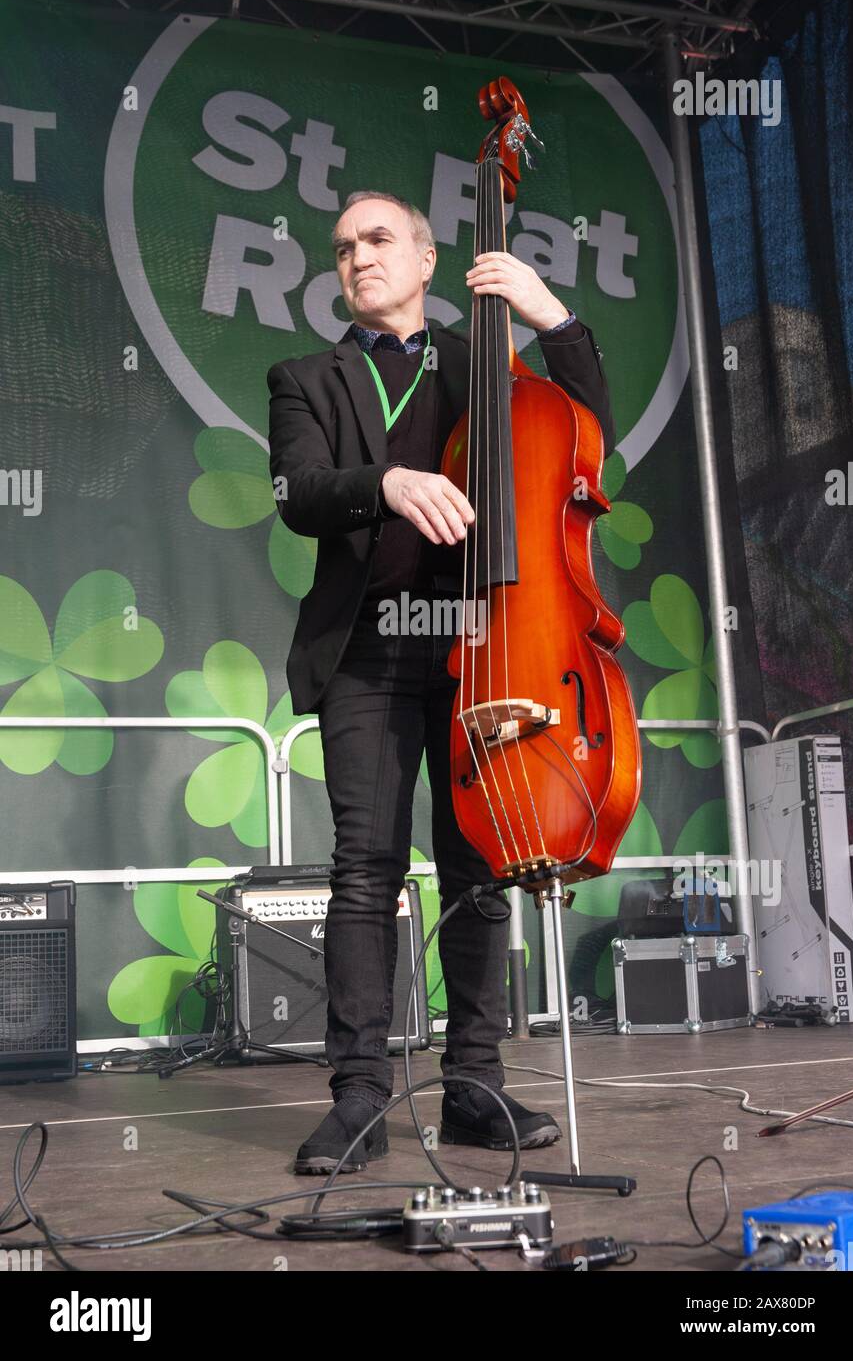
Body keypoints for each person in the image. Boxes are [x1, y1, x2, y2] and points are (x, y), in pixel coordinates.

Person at [267, 191, 615, 1174]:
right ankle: (360, 1097)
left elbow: (591, 433)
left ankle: (473, 1085)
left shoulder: (482, 364)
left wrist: (552, 319)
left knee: (479, 867)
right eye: (342, 249)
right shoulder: (304, 376)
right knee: (364, 868)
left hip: (484, 644)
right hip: (367, 655)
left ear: (426, 258)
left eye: (377, 240)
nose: (357, 258)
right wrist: (383, 481)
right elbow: (296, 492)